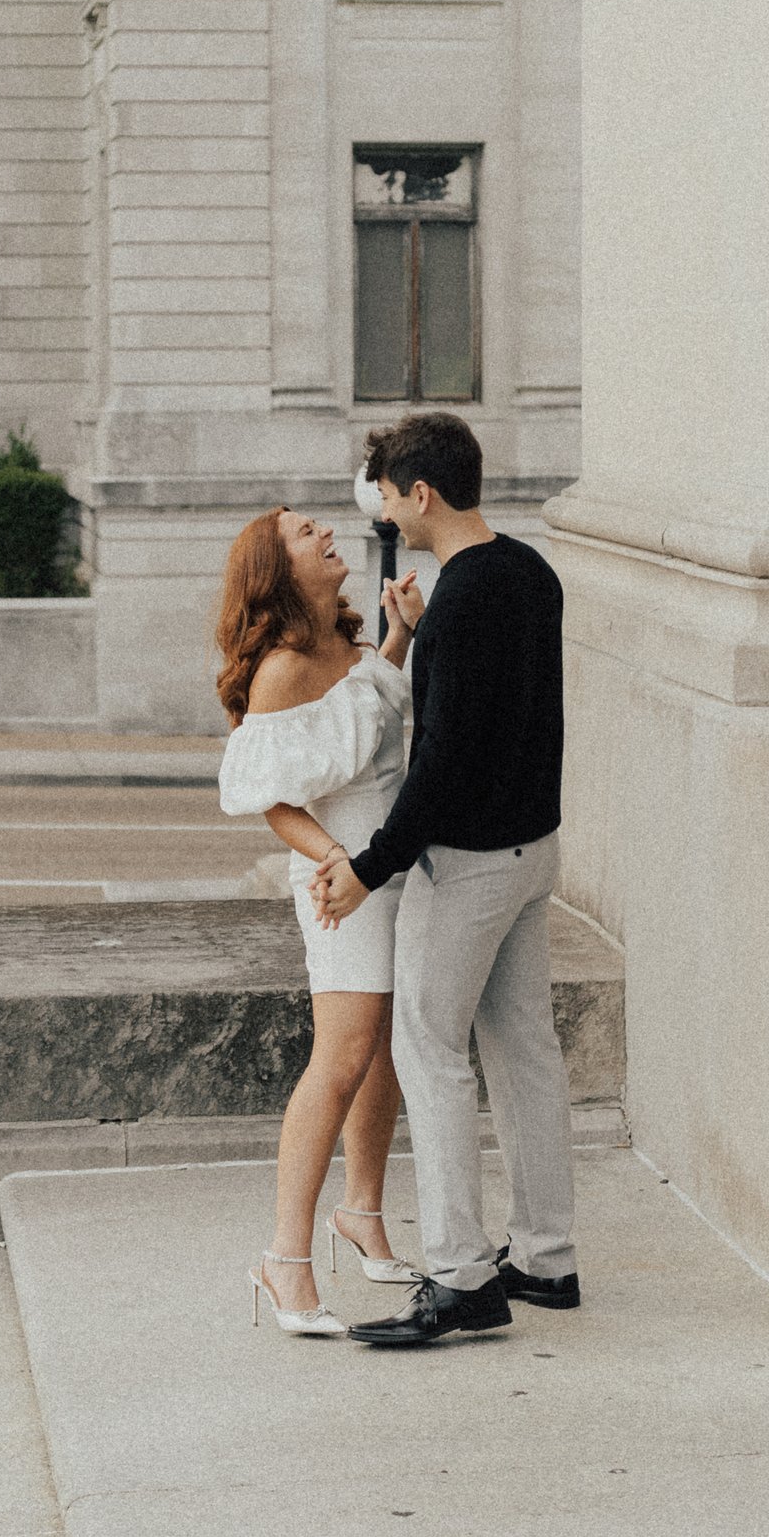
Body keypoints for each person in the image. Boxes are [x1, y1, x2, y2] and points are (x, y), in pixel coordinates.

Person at [313, 409, 578, 1347]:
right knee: (523, 1048)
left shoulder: (464, 600)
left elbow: (442, 763)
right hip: (531, 851)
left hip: (464, 865)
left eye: (387, 498)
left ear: (421, 492)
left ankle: (462, 1276)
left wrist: (368, 866)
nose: (385, 516)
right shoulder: (530, 572)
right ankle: (546, 1257)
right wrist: (415, 637)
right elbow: (522, 723)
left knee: (429, 1051)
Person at [214, 506, 426, 1336]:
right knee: (338, 1058)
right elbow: (267, 795)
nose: (327, 535)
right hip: (344, 883)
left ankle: (363, 1212)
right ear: (277, 567)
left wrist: (398, 633)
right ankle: (284, 1260)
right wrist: (342, 863)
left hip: (387, 869)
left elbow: (367, 721)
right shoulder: (281, 668)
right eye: (306, 533)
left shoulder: (344, 642)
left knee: (382, 1049)